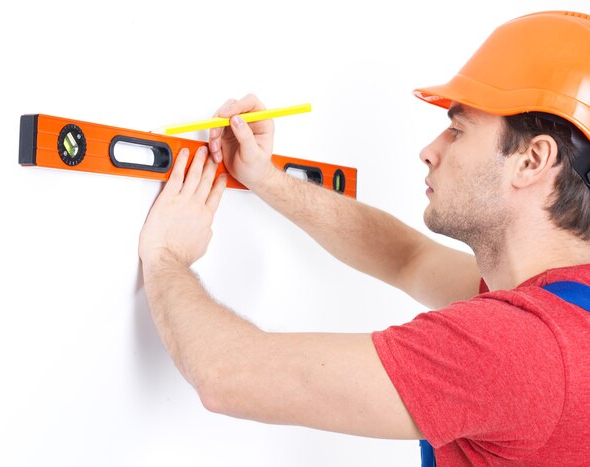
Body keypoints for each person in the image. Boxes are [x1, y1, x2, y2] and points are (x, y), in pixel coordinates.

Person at [138, 11, 590, 466]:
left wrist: (166, 257)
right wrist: (266, 179)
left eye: (457, 129)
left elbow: (226, 374)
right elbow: (405, 258)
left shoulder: (522, 349)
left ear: (532, 161)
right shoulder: (569, 309)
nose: (430, 150)